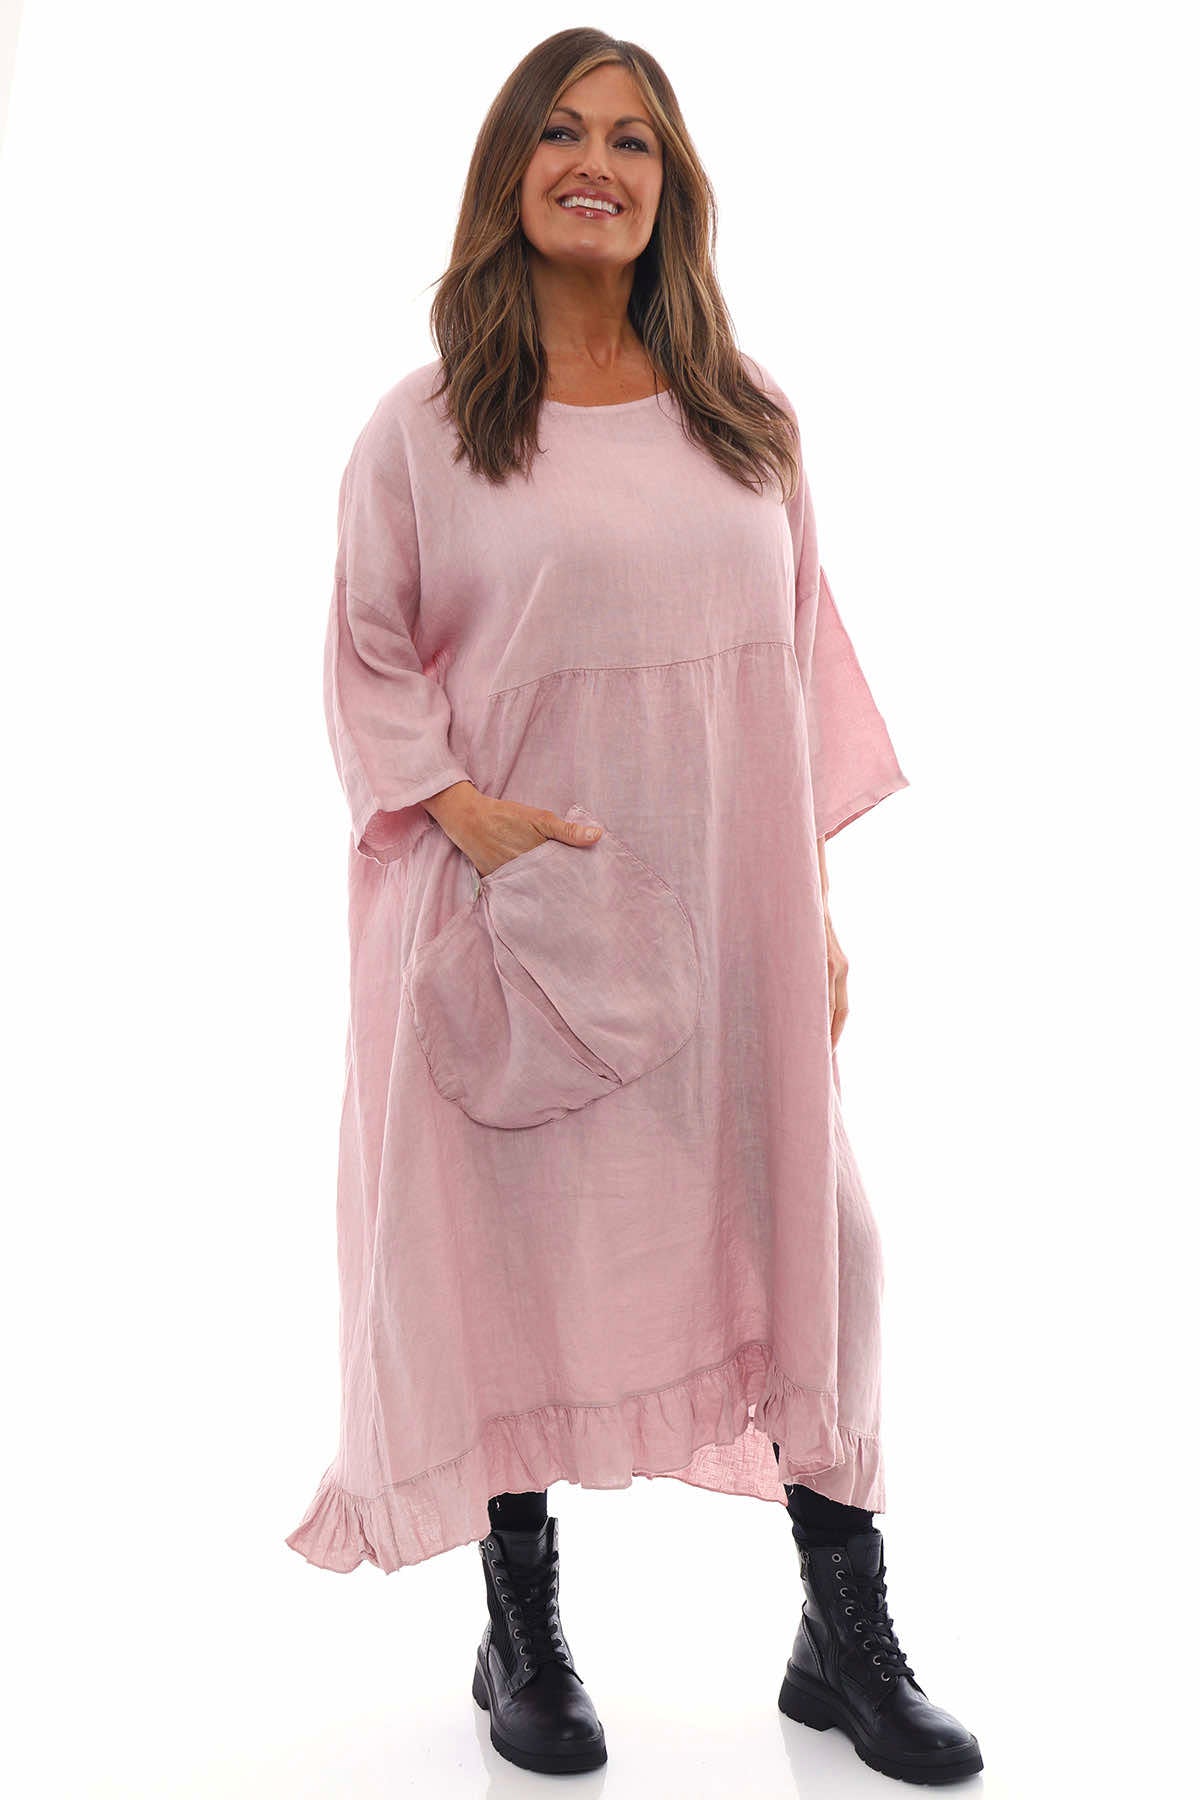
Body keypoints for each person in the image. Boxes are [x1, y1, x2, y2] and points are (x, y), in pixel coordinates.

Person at [285, 27, 983, 1787]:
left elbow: (793, 676)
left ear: (672, 187)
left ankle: (843, 1629)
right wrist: (466, 818)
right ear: (509, 169)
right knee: (505, 1256)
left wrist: (812, 903)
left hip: (732, 935)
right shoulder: (428, 429)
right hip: (513, 925)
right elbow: (366, 656)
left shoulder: (747, 415)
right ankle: (520, 1627)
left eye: (634, 141)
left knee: (825, 1251)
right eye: (563, 133)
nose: (596, 163)